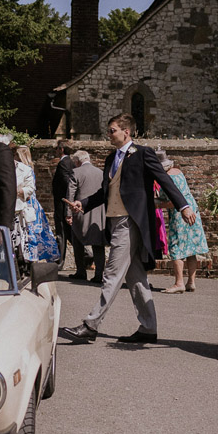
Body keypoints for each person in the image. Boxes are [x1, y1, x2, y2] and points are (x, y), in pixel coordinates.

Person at [60, 113, 193, 344]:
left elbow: (164, 180)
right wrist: (85, 203)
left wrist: (183, 205)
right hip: (113, 221)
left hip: (130, 222)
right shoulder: (111, 159)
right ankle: (149, 329)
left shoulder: (143, 154)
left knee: (111, 274)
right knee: (136, 277)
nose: (108, 134)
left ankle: (91, 325)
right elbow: (106, 191)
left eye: (112, 130)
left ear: (126, 132)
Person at [158, 155, 209, 293]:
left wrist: (156, 204)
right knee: (191, 248)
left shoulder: (166, 178)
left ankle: (178, 283)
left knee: (177, 247)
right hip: (193, 209)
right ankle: (191, 282)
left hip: (180, 213)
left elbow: (172, 201)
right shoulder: (178, 172)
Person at [11, 145, 60, 263]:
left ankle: (32, 255)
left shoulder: (25, 169)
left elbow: (30, 189)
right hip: (29, 202)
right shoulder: (28, 167)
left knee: (31, 230)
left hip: (28, 202)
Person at [69, 149, 106, 282]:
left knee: (77, 241)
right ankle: (99, 275)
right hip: (99, 211)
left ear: (77, 161)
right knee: (98, 243)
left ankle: (81, 271)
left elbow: (70, 195)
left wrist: (68, 214)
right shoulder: (101, 172)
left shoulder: (75, 172)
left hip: (80, 210)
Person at [51, 142, 75, 267]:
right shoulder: (71, 162)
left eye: (56, 149)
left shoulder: (63, 164)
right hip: (66, 202)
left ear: (61, 149)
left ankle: (60, 261)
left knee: (61, 232)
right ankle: (87, 255)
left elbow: (68, 183)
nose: (55, 151)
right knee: (69, 232)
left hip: (62, 203)